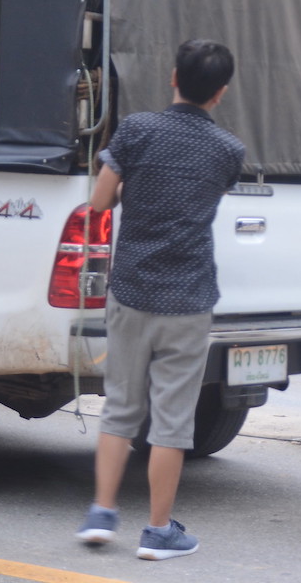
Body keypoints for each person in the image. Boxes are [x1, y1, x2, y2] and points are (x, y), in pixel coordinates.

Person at [75, 39, 245, 561]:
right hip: (190, 299)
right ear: (220, 93)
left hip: (130, 291)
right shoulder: (228, 150)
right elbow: (201, 196)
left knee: (120, 408)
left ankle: (102, 513)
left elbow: (99, 201)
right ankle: (158, 530)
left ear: (172, 77)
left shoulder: (137, 131)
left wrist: (132, 188)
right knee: (172, 420)